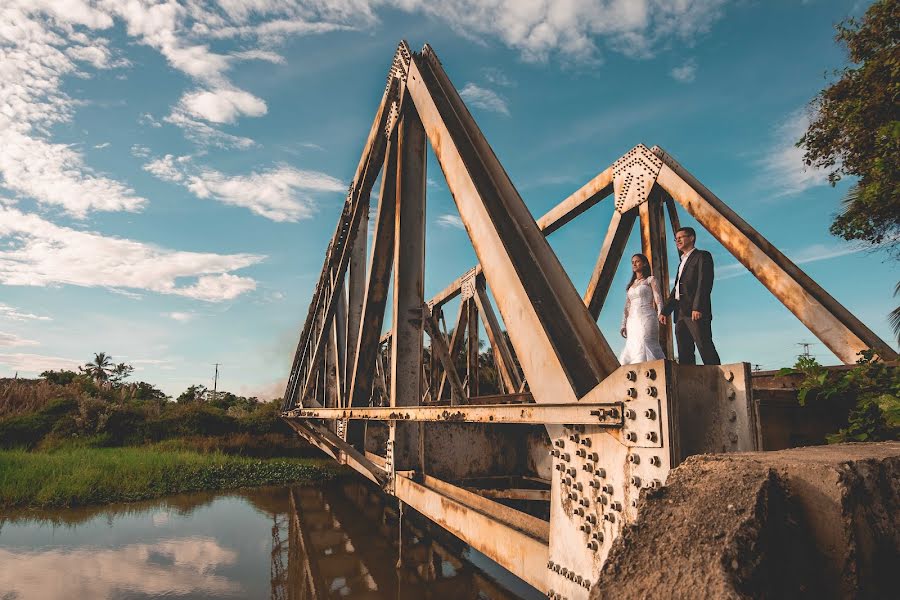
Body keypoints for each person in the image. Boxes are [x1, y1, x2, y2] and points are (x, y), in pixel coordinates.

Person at [660, 227, 721, 365]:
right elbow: (677, 289)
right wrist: (665, 311)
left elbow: (704, 283)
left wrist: (697, 307)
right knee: (684, 351)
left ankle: (719, 379)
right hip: (680, 312)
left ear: (692, 238)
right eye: (676, 238)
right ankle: (690, 381)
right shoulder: (682, 262)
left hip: (695, 310)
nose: (678, 240)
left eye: (681, 237)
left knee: (704, 345)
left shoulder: (702, 256)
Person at [619, 253, 666, 365]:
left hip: (647, 316)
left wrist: (661, 313)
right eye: (632, 262)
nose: (634, 264)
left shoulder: (650, 280)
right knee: (633, 344)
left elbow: (658, 298)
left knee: (646, 340)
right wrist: (623, 324)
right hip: (632, 321)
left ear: (644, 264)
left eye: (637, 261)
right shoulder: (631, 285)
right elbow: (627, 307)